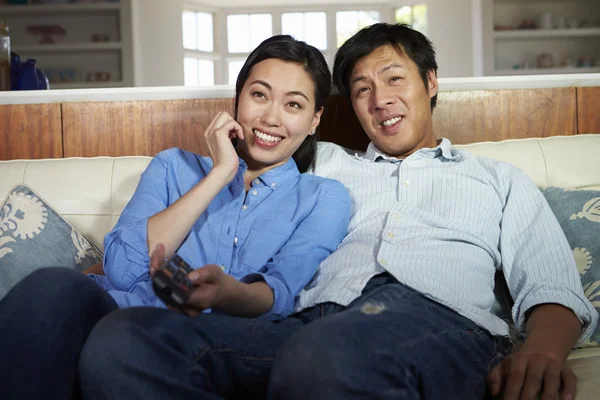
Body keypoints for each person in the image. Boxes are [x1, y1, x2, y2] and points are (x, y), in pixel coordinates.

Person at [78, 24, 598, 400]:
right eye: (362, 89)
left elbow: (552, 287)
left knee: (327, 356)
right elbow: (262, 149)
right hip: (308, 324)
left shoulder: (498, 179)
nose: (380, 99)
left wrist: (544, 352)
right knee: (125, 342)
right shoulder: (324, 165)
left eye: (395, 79)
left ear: (431, 82)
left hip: (436, 321)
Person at [0, 35, 351, 399]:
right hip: (118, 307)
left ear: (314, 119)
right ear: (238, 99)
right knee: (51, 287)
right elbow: (123, 268)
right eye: (259, 95)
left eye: (293, 104)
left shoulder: (322, 197)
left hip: (210, 338)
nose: (271, 117)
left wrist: (228, 292)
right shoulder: (173, 166)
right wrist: (220, 173)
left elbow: (279, 293)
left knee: (123, 337)